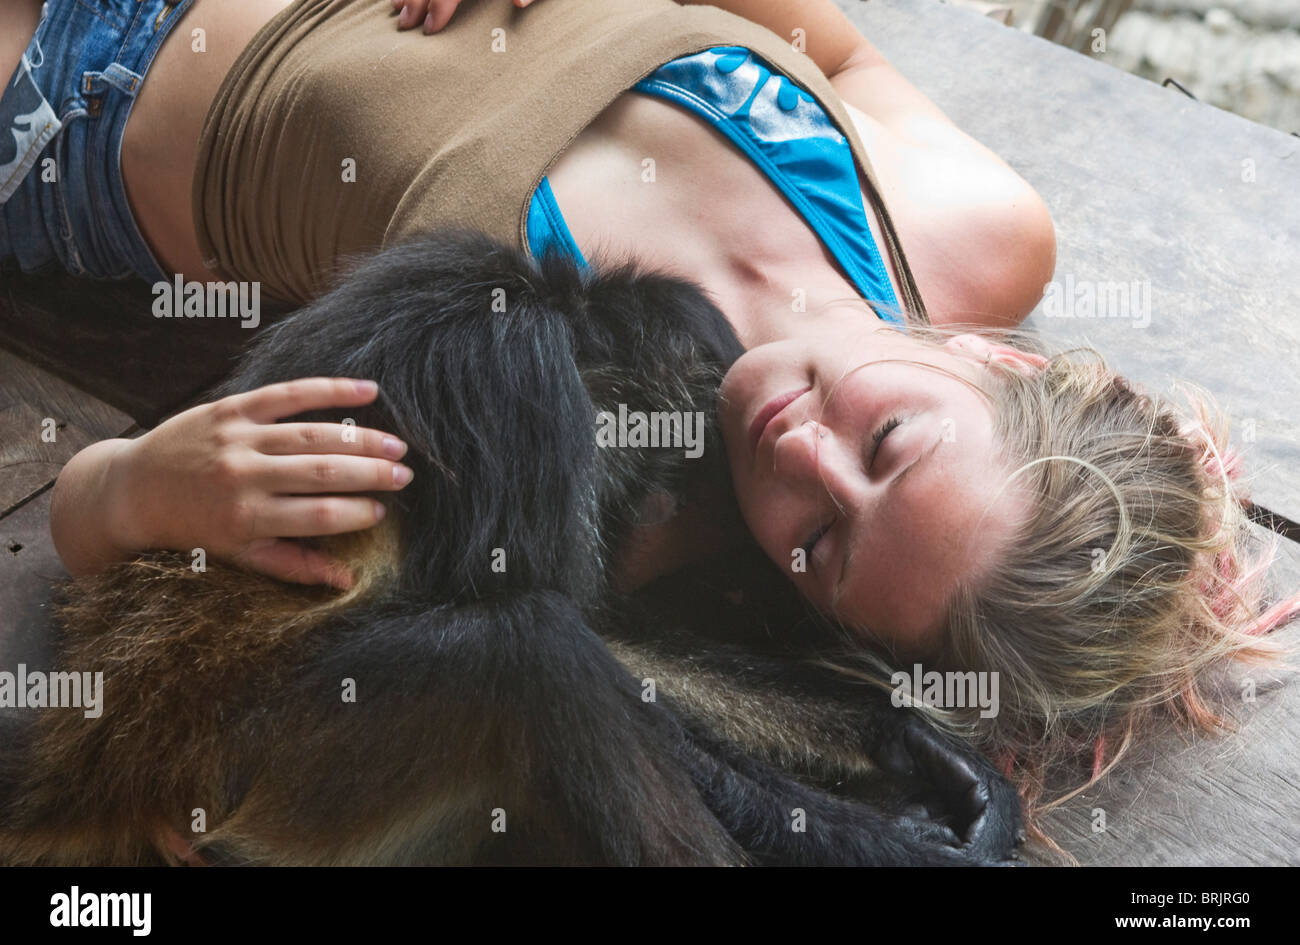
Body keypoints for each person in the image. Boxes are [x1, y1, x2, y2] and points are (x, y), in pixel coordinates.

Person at [3, 0, 1295, 834]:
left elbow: (132, 579)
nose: (803, 455)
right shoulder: (976, 234)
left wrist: (131, 490)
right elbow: (838, 49)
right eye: (889, 446)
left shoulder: (616, 477)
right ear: (1004, 369)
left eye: (820, 545)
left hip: (79, 91)